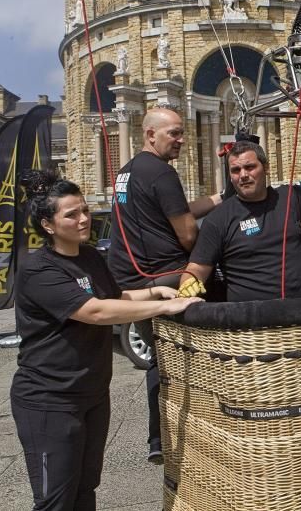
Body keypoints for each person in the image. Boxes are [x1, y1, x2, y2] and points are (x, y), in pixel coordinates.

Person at [11, 170, 201, 511]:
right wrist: (165, 305)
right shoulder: (38, 269)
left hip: (93, 393)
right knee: (56, 498)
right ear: (48, 224)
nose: (84, 219)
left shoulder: (89, 258)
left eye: (84, 209)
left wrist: (152, 290)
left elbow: (114, 298)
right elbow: (94, 311)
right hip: (49, 400)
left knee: (86, 489)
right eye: (72, 214)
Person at [107, 107, 223, 463]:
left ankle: (158, 439)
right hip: (169, 278)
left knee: (161, 359)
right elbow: (187, 233)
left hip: (132, 282)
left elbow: (173, 211)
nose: (181, 139)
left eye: (182, 132)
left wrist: (220, 199)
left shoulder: (128, 173)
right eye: (173, 133)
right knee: (219, 335)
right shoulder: (162, 172)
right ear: (150, 134)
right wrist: (216, 247)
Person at [182, 138, 301, 301]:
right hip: (250, 320)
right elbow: (197, 268)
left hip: (300, 314)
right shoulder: (218, 219)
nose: (243, 175)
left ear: (266, 168)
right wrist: (189, 282)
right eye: (236, 170)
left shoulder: (290, 197)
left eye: (250, 167)